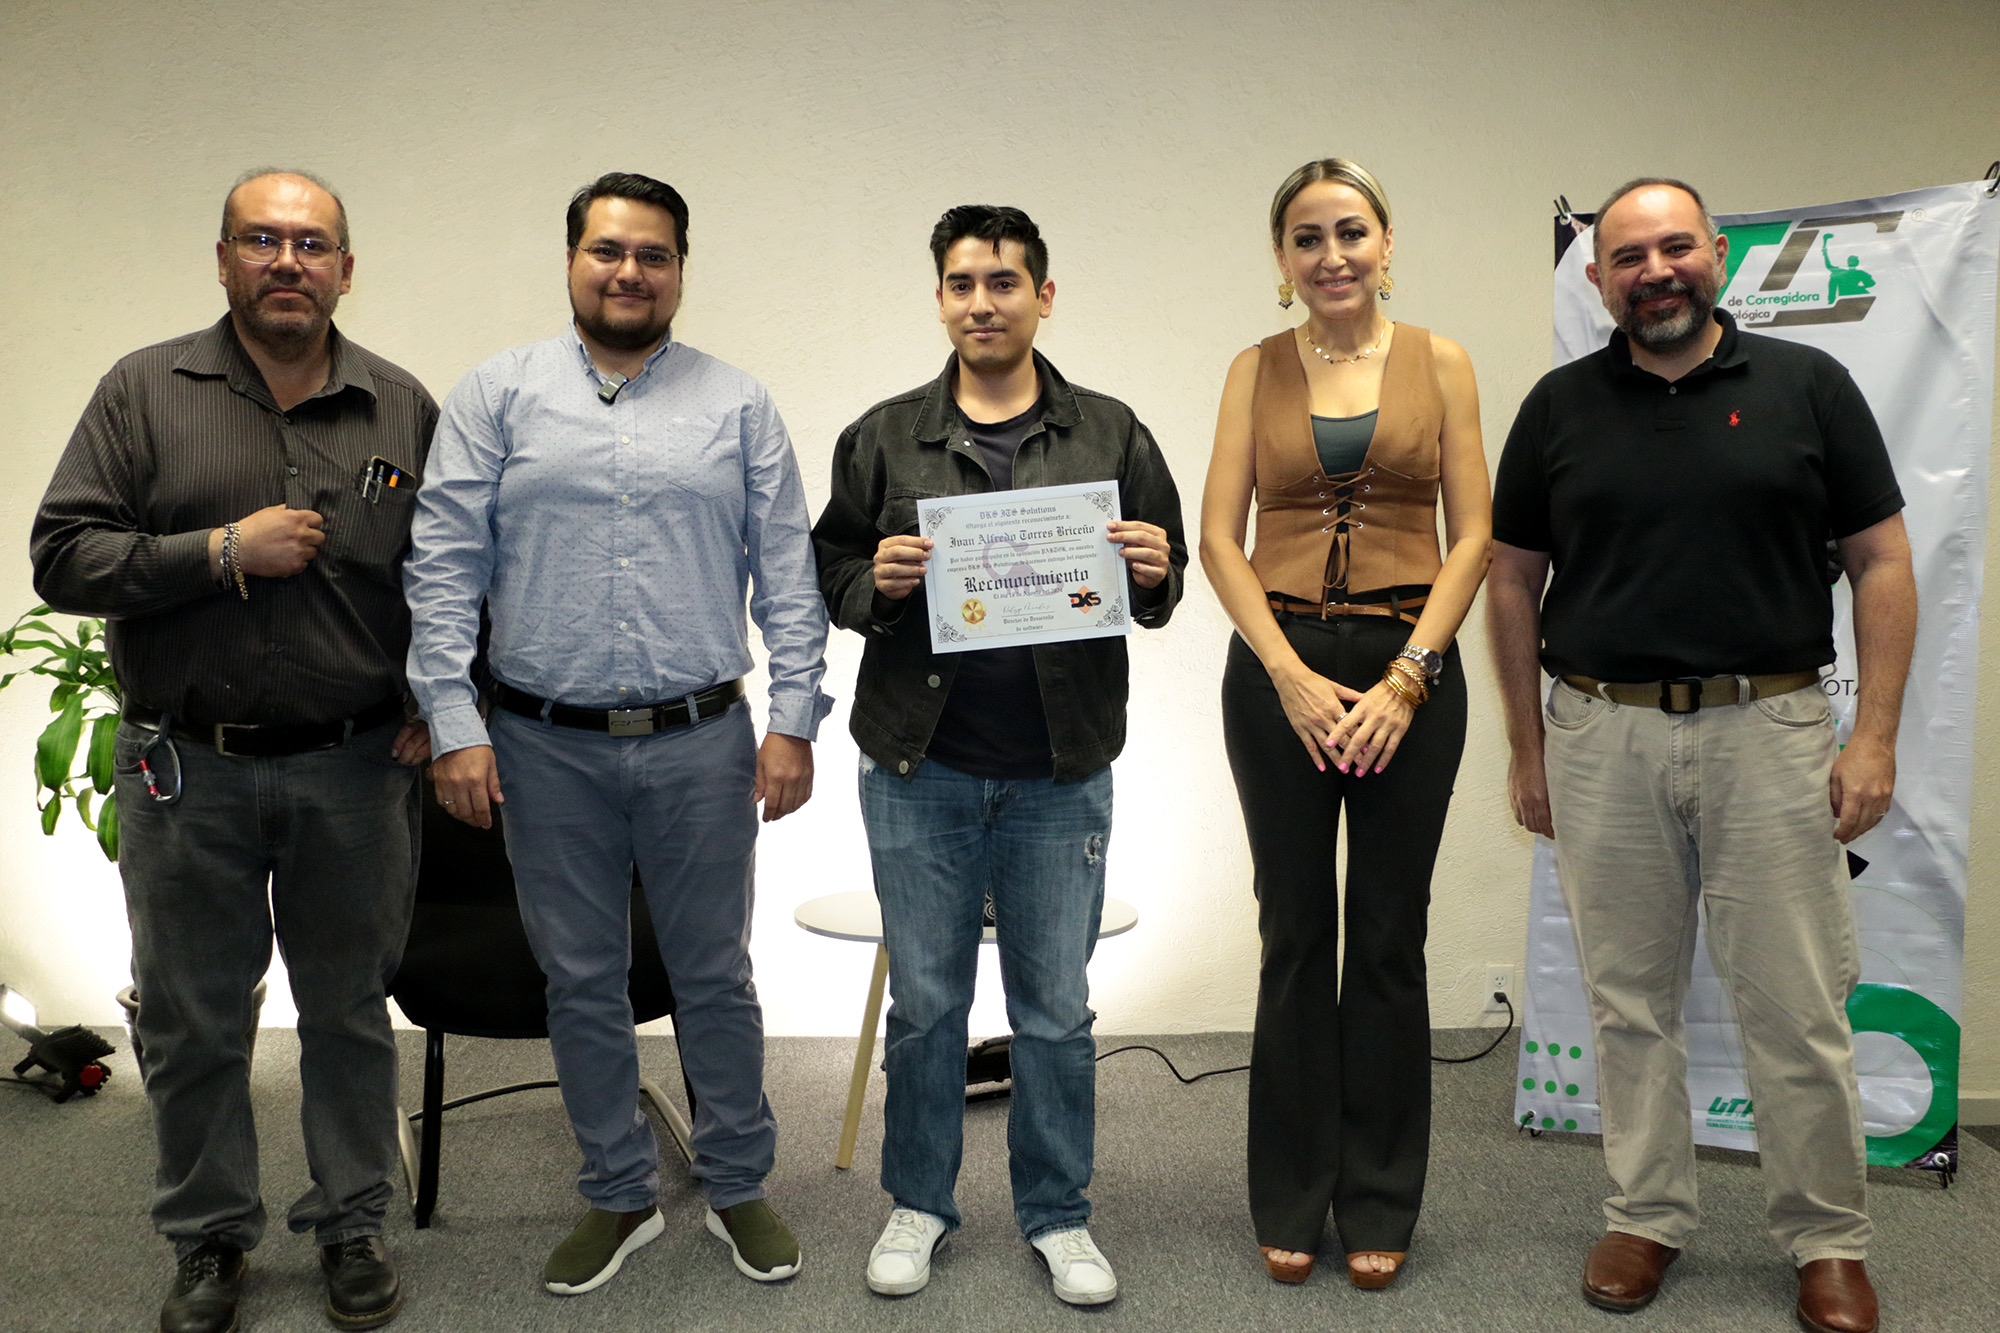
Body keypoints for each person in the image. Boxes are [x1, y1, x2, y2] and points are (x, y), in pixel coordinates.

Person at [1486, 177, 1915, 1333]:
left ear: (1715, 254)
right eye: (1627, 257)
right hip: (1599, 734)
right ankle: (1643, 1214)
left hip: (1767, 732)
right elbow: (1511, 579)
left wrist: (1872, 734)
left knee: (1795, 1007)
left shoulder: (1805, 387)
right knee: (1627, 1002)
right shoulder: (1557, 407)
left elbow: (1879, 561)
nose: (1653, 271)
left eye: (1673, 247)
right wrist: (1526, 747)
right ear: (1596, 279)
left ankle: (1826, 1238)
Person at [403, 171, 828, 1295]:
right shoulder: (497, 395)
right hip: (543, 744)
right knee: (580, 978)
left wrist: (793, 720)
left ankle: (736, 1182)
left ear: (679, 270)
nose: (628, 271)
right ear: (571, 261)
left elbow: (788, 574)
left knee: (714, 974)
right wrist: (453, 721)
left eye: (652, 254)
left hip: (701, 740)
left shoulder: (738, 404)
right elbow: (443, 568)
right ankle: (617, 1192)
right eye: (607, 250)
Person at [31, 168, 435, 1333]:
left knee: (348, 1011)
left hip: (355, 766)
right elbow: (62, 556)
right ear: (223, 259)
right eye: (262, 239)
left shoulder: (401, 407)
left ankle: (352, 1220)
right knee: (194, 1017)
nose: (287, 261)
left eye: (311, 243)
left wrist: (440, 699)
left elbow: (451, 574)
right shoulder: (143, 391)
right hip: (185, 768)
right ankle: (209, 1237)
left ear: (345, 268)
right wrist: (219, 551)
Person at [812, 204, 1186, 1305]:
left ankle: (1058, 1213)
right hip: (918, 767)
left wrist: (1155, 569)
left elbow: (1161, 584)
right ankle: (919, 1202)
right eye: (963, 283)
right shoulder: (883, 435)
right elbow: (829, 569)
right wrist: (873, 585)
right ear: (940, 298)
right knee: (926, 1005)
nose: (983, 302)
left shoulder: (1112, 433)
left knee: (1054, 1011)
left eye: (1005, 282)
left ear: (1043, 296)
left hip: (1058, 772)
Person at [1197, 158, 1491, 1290]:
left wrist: (1412, 675)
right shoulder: (1252, 368)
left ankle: (1377, 1196)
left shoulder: (1442, 361)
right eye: (1307, 238)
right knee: (1292, 932)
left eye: (1351, 232)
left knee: (1384, 935)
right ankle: (1289, 1192)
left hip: (1410, 667)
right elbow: (1219, 538)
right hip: (1280, 674)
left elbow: (1473, 535)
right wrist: (1285, 673)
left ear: (1385, 243)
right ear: (1282, 259)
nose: (1332, 255)